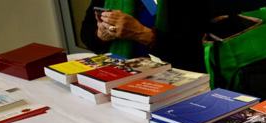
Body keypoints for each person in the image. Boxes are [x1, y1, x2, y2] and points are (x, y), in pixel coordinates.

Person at [80, 0, 210, 72]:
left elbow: (197, 53)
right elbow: (86, 33)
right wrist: (102, 35)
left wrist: (142, 34)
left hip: (175, 83)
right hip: (116, 77)